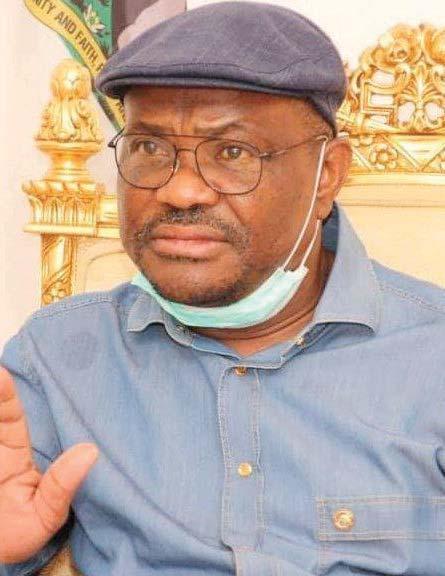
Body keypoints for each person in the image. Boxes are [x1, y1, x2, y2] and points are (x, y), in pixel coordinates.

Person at [1, 2, 445, 575]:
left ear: (327, 175)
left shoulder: (432, 356)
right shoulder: (56, 355)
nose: (180, 191)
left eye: (232, 153)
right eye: (148, 148)